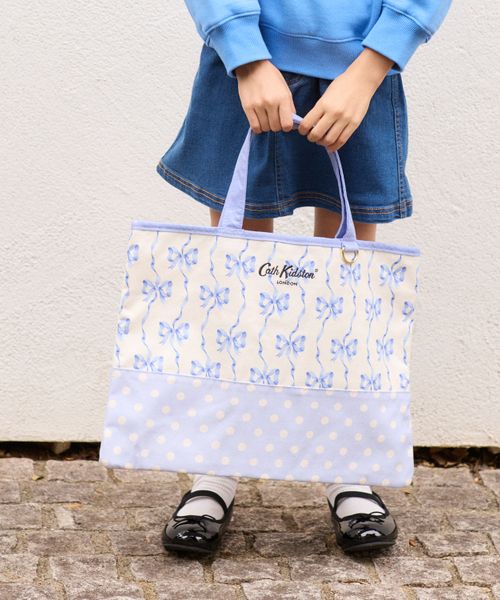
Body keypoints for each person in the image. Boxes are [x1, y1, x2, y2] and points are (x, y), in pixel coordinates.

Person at [157, 0, 452, 555]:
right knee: (235, 280)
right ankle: (217, 461)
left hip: (361, 68)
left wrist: (370, 69)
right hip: (247, 64)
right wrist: (246, 56)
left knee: (346, 280)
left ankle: (345, 463)